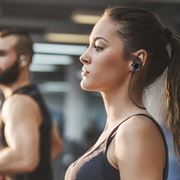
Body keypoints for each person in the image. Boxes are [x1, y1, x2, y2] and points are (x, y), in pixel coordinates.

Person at [65, 6, 180, 180]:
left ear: (136, 60)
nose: (84, 56)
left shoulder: (135, 129)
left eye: (98, 47)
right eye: (88, 46)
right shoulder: (117, 129)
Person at [0, 28, 63, 180]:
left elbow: (25, 158)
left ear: (23, 60)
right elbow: (55, 146)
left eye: (2, 54)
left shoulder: (18, 102)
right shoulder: (33, 96)